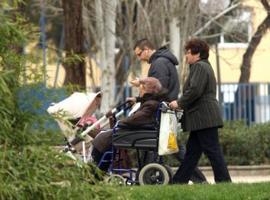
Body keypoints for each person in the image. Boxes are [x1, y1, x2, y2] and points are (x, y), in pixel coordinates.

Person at [132, 38, 207, 183]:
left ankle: (147, 178)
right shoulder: (163, 61)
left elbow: (157, 90)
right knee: (171, 147)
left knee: (162, 146)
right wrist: (140, 99)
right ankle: (198, 180)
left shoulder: (158, 64)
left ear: (147, 49)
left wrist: (141, 88)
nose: (139, 58)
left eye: (139, 54)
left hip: (161, 112)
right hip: (165, 110)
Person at [169, 38, 231, 184]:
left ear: (197, 54)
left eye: (188, 53)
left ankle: (224, 182)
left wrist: (179, 103)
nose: (186, 56)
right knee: (192, 153)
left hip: (204, 117)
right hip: (202, 118)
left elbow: (195, 90)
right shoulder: (204, 66)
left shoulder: (199, 66)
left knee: (213, 151)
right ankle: (178, 182)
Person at [91, 77, 167, 169]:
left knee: (103, 138)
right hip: (137, 131)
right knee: (104, 136)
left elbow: (135, 119)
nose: (140, 92)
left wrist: (121, 122)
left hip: (134, 133)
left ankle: (97, 170)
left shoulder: (150, 104)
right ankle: (99, 168)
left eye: (141, 89)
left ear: (147, 91)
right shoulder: (152, 102)